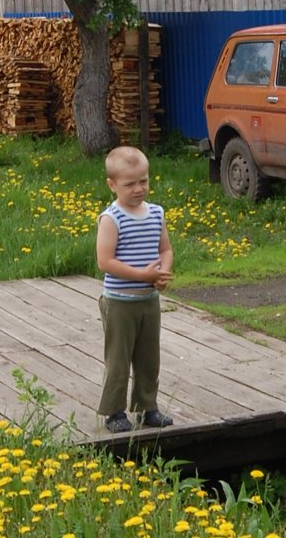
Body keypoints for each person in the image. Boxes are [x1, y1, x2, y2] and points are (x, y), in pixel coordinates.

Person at [96, 145, 174, 433]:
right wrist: (142, 274)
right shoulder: (111, 218)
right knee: (118, 359)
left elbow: (165, 249)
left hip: (148, 299)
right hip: (119, 302)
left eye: (144, 180)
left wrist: (162, 272)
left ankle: (146, 407)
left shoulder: (155, 213)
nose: (139, 188)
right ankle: (114, 412)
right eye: (130, 184)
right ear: (112, 184)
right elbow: (105, 261)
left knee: (148, 357)